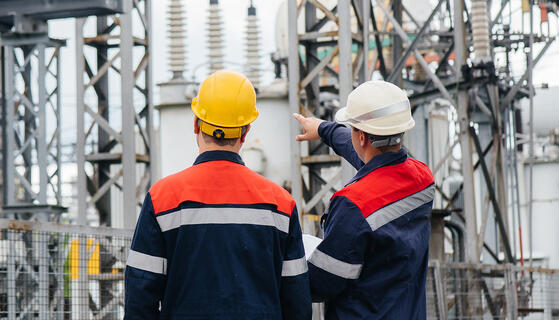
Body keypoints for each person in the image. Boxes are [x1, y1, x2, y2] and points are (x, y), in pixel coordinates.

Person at [125, 70, 312, 320]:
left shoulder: (163, 197)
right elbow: (296, 301)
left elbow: (140, 295)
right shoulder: (280, 203)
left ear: (196, 124)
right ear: (245, 132)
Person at [293, 80, 435, 320]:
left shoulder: (353, 205)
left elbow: (322, 284)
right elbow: (375, 162)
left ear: (361, 138)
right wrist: (324, 130)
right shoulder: (423, 179)